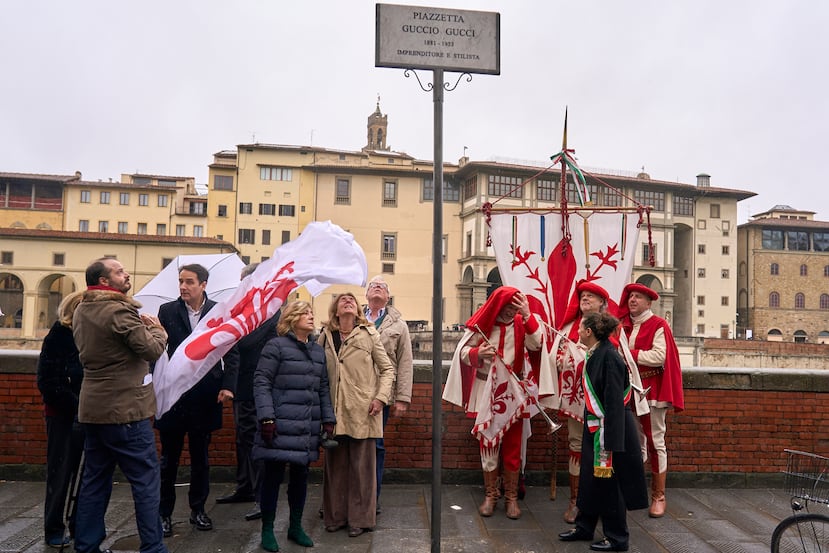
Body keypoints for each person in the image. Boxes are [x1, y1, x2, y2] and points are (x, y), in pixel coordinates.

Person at [71, 257, 169, 553]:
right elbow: (151, 349)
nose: (126, 274)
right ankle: (153, 547)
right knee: (146, 480)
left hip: (94, 409)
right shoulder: (118, 311)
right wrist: (158, 329)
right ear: (104, 281)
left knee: (95, 480)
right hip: (125, 410)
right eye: (119, 271)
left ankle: (87, 545)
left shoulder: (82, 309)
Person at [443, 286, 555, 520]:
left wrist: (527, 315)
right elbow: (462, 352)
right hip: (486, 392)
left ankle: (511, 497)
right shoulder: (482, 325)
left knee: (513, 447)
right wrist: (477, 354)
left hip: (514, 394)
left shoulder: (521, 323)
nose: (510, 312)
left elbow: (537, 344)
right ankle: (491, 495)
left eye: (514, 308)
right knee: (488, 445)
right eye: (507, 307)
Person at [552, 280, 649, 523]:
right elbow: (555, 357)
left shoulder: (614, 330)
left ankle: (602, 505)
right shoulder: (569, 327)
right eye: (583, 295)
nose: (585, 298)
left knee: (604, 452)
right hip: (575, 398)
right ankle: (576, 501)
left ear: (602, 303)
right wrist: (566, 358)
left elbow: (622, 360)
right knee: (577, 445)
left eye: (591, 296)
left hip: (603, 403)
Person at [155, 264, 239, 537]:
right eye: (181, 281)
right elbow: (158, 352)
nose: (183, 287)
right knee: (169, 460)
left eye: (189, 282)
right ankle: (164, 514)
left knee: (201, 458)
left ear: (203, 284)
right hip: (174, 396)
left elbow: (231, 352)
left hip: (205, 394)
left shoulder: (218, 312)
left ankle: (198, 510)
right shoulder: (167, 311)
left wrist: (228, 386)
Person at [252, 300, 335, 552]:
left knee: (300, 478)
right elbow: (261, 382)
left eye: (311, 312)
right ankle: (267, 529)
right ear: (291, 318)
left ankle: (295, 527)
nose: (311, 316)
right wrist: (267, 418)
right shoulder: (275, 347)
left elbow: (322, 388)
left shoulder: (317, 351)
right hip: (279, 425)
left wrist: (328, 420)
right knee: (272, 478)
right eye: (304, 313)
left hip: (305, 427)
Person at [318, 292, 394, 537]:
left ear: (358, 310)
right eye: (343, 300)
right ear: (336, 310)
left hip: (363, 409)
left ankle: (360, 520)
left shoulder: (369, 334)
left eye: (352, 299)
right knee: (335, 468)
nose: (348, 301)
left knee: (362, 470)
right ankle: (335, 516)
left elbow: (387, 369)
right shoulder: (325, 336)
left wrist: (381, 398)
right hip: (334, 410)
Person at [216, 262, 278, 522]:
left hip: (259, 384)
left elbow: (247, 341)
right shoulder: (244, 311)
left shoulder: (269, 309)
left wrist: (230, 334)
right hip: (241, 384)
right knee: (242, 438)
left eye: (246, 282)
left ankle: (262, 497)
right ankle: (245, 487)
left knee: (256, 440)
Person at [616, 283, 684, 518]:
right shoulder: (622, 325)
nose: (632, 300)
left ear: (648, 302)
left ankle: (658, 495)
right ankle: (634, 491)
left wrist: (629, 355)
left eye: (638, 297)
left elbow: (659, 356)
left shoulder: (658, 324)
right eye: (630, 296)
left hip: (650, 390)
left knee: (655, 441)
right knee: (632, 442)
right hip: (627, 391)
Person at [36, 290, 85, 549]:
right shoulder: (59, 336)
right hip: (63, 417)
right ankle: (54, 528)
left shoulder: (89, 336)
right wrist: (77, 405)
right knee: (61, 473)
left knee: (87, 475)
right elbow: (47, 382)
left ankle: (79, 525)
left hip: (88, 415)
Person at [363, 276, 413, 514]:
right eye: (373, 285)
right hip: (354, 392)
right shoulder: (354, 319)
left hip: (382, 395)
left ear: (388, 296)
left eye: (382, 287)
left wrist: (403, 398)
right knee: (348, 444)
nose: (377, 288)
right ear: (366, 295)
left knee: (375, 445)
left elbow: (405, 362)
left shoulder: (399, 325)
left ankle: (372, 497)